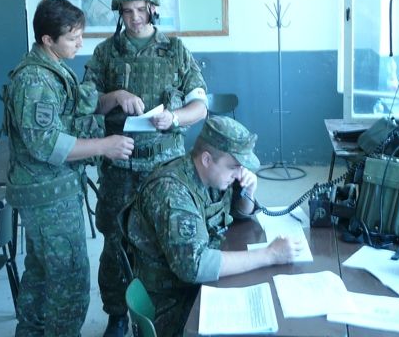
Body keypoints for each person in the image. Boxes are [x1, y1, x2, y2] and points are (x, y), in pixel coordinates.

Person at [82, 0, 208, 337]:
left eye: (141, 9)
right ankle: (117, 314)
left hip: (165, 167)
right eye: (127, 11)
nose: (135, 17)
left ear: (153, 8)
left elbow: (200, 106)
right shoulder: (106, 53)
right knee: (115, 243)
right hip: (119, 164)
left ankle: (167, 310)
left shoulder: (175, 51)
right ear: (119, 13)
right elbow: (88, 103)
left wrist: (174, 118)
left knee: (165, 240)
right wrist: (116, 96)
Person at [2, 0, 134, 337]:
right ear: (48, 40)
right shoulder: (35, 81)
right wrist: (105, 146)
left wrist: (114, 96)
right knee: (70, 282)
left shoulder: (52, 69)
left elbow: (75, 107)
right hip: (48, 197)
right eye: (73, 38)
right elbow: (46, 144)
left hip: (50, 191)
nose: (80, 44)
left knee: (41, 275)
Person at [123, 116, 303, 337]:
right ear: (207, 159)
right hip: (173, 301)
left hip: (197, 285)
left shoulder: (212, 176)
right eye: (234, 167)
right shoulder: (171, 192)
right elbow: (195, 266)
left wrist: (248, 191)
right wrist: (270, 254)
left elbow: (238, 216)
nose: (238, 173)